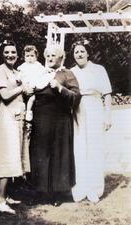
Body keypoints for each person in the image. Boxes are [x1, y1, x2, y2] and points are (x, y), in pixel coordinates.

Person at [29, 45, 81, 206]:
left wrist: (60, 88)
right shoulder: (40, 74)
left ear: (61, 58)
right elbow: (31, 95)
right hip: (40, 120)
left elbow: (76, 97)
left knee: (58, 155)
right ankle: (41, 192)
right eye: (48, 56)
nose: (50, 58)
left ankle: (58, 193)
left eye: (53, 56)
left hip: (60, 120)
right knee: (40, 155)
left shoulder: (67, 73)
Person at [0, 40, 32, 214]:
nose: (10, 55)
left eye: (13, 52)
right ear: (2, 54)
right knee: (7, 154)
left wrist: (26, 90)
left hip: (18, 116)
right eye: (7, 52)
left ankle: (5, 195)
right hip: (7, 118)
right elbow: (5, 95)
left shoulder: (16, 71)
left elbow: (23, 92)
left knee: (15, 154)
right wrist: (22, 88)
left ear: (17, 54)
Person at [70, 39, 112, 203]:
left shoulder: (99, 69)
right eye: (76, 52)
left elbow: (107, 94)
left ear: (88, 53)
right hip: (77, 110)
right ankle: (80, 188)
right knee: (79, 148)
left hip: (94, 107)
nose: (79, 54)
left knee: (94, 148)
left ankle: (94, 189)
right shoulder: (70, 71)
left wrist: (108, 116)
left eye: (82, 51)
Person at [17, 45, 45, 122]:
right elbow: (19, 73)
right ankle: (23, 111)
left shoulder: (38, 65)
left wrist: (47, 71)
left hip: (34, 86)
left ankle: (29, 111)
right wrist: (19, 78)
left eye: (32, 56)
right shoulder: (23, 66)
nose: (30, 58)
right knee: (22, 99)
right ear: (24, 57)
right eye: (27, 56)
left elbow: (44, 71)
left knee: (33, 98)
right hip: (26, 85)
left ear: (36, 56)